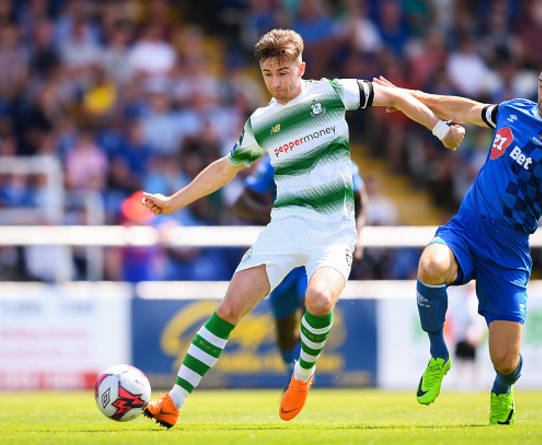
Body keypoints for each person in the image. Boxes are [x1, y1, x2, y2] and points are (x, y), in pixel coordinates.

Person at [141, 28, 464, 428]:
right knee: (229, 308)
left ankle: (302, 375)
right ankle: (173, 401)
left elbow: (396, 96)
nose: (276, 83)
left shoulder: (330, 94)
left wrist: (441, 130)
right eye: (268, 75)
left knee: (319, 300)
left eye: (283, 72)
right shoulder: (261, 122)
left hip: (334, 229)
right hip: (286, 226)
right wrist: (174, 201)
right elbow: (227, 167)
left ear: (301, 67)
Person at [375, 57, 542, 425]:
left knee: (505, 360)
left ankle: (503, 388)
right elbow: (463, 108)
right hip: (469, 225)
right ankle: (439, 354)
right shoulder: (514, 110)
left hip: (508, 248)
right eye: (541, 84)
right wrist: (404, 94)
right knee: (430, 265)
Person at [232, 154, 368, 378]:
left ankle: (303, 374)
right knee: (284, 324)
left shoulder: (335, 155)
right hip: (284, 252)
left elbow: (360, 200)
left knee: (314, 302)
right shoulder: (277, 158)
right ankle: (291, 371)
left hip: (321, 248)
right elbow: (241, 202)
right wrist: (274, 214)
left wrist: (358, 237)